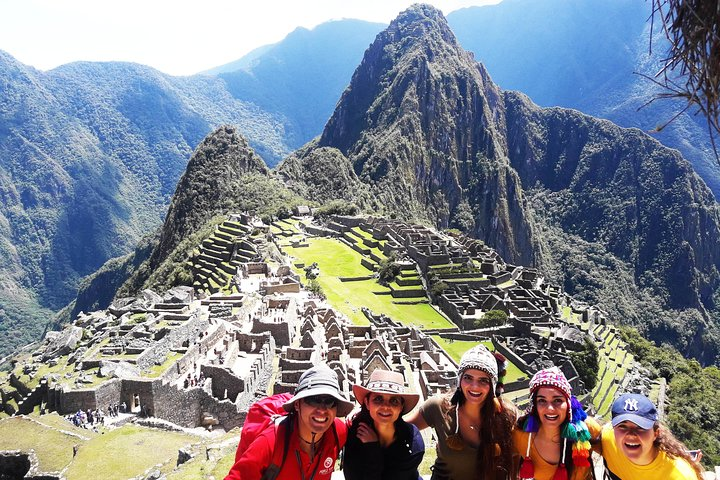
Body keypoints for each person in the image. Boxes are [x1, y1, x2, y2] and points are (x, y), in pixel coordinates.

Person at [224, 364, 354, 480]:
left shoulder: (338, 433)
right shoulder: (271, 443)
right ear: (297, 404)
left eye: (330, 401)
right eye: (313, 400)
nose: (322, 409)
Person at [405, 344, 515, 480]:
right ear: (460, 379)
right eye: (468, 378)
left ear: (492, 385)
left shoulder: (506, 415)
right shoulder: (439, 407)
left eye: (483, 380)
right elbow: (397, 430)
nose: (475, 386)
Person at [514, 367, 601, 480]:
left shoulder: (586, 429)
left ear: (568, 404)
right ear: (534, 405)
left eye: (557, 400)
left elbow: (614, 451)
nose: (550, 408)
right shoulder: (521, 435)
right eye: (542, 400)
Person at [343, 369, 425, 480]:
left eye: (394, 401)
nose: (386, 406)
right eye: (378, 399)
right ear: (367, 403)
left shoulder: (412, 442)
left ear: (401, 407)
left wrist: (372, 448)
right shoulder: (354, 435)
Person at [599, 393, 703, 480]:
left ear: (655, 434)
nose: (631, 434)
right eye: (622, 426)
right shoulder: (607, 439)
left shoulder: (679, 476)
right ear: (614, 429)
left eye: (640, 427)